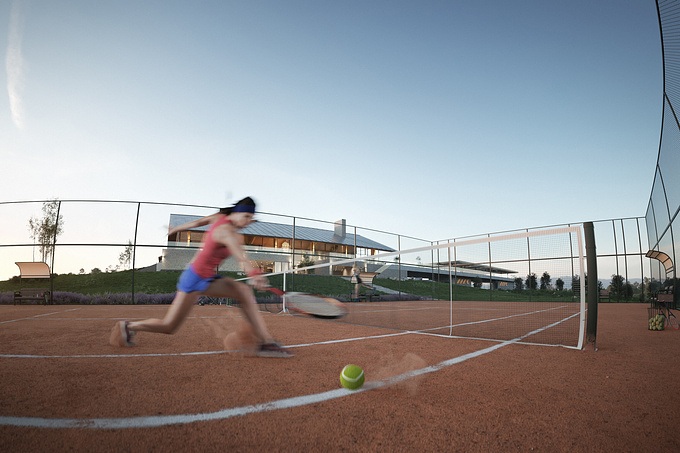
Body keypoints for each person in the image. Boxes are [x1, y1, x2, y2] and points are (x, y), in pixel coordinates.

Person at [109, 197, 294, 358]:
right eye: (246, 217)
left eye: (251, 219)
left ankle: (265, 342)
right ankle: (129, 326)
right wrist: (253, 273)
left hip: (208, 277)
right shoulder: (227, 232)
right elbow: (240, 256)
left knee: (243, 291)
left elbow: (199, 223)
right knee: (169, 326)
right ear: (236, 213)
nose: (248, 222)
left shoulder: (222, 221)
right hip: (194, 278)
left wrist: (178, 228)